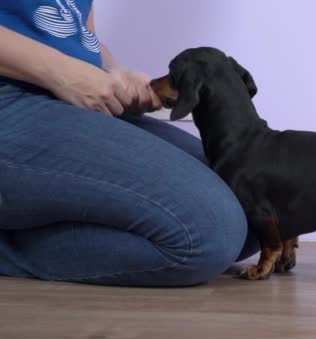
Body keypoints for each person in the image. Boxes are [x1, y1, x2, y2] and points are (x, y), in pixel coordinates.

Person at [0, 0, 258, 286]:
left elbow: (73, 24)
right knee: (208, 233)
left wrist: (113, 71)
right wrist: (65, 75)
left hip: (60, 100)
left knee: (255, 206)